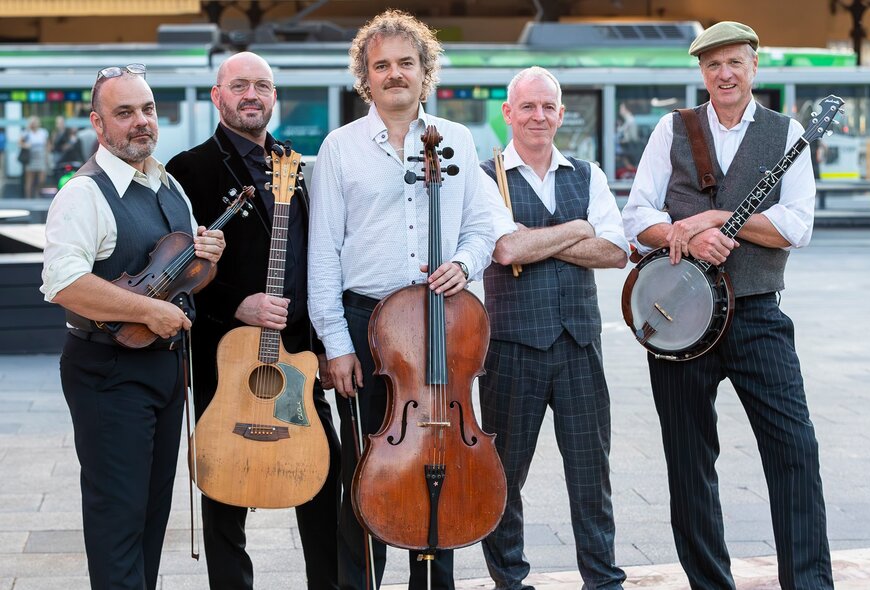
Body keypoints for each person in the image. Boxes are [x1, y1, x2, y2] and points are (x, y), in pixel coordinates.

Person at [621, 22, 834, 589]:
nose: (725, 74)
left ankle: (809, 583)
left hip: (759, 313)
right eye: (714, 65)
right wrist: (682, 236)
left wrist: (717, 218)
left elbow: (797, 225)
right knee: (689, 463)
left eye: (735, 62)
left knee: (795, 450)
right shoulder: (672, 129)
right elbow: (637, 215)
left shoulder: (788, 133)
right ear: (702, 72)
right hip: (679, 320)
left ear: (754, 66)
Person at [307, 9, 503, 589]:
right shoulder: (340, 148)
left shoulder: (458, 141)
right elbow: (323, 255)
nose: (395, 74)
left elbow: (482, 229)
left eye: (406, 64)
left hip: (441, 322)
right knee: (366, 470)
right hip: (367, 324)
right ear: (365, 78)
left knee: (438, 458)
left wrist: (464, 265)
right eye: (381, 65)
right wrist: (336, 345)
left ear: (426, 72)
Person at [40, 64, 226, 589]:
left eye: (147, 109)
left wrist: (205, 255)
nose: (140, 122)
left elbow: (177, 281)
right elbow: (62, 283)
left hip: (164, 372)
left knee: (149, 517)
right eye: (124, 113)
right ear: (99, 125)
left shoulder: (169, 186)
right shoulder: (83, 194)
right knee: (118, 519)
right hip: (108, 372)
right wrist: (146, 311)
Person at [165, 51, 341, 590]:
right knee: (225, 489)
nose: (251, 95)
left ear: (273, 98)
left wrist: (329, 346)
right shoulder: (187, 170)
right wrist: (233, 303)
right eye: (239, 85)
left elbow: (317, 259)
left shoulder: (294, 164)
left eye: (262, 86)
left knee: (322, 477)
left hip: (297, 357)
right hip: (228, 357)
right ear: (218, 96)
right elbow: (173, 271)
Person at [478, 66, 628, 590]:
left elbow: (615, 251)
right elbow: (503, 249)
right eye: (528, 106)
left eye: (548, 107)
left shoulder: (587, 174)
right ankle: (510, 579)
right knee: (503, 474)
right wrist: (578, 228)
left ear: (561, 114)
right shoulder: (483, 176)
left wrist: (537, 238)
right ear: (508, 113)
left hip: (580, 347)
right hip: (511, 349)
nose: (538, 116)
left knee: (592, 475)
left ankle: (603, 578)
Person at [20, 115, 49, 197]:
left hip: (41, 156)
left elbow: (47, 145)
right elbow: (20, 142)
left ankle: (37, 194)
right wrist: (26, 145)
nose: (34, 124)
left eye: (36, 122)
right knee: (30, 179)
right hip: (31, 157)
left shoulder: (43, 132)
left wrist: (47, 157)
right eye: (33, 122)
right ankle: (28, 197)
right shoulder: (27, 132)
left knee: (41, 179)